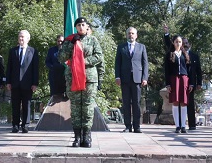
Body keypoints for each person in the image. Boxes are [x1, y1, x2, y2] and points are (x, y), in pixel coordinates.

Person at [58, 17, 104, 148]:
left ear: (87, 26)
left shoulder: (93, 40)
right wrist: (69, 45)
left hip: (89, 79)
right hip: (73, 78)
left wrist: (83, 62)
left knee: (88, 107)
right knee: (76, 108)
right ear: (76, 28)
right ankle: (77, 137)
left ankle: (87, 136)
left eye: (83, 25)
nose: (81, 27)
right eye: (78, 25)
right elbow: (61, 58)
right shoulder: (69, 41)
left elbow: (99, 56)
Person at [114, 26, 148, 133]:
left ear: (136, 35)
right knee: (126, 103)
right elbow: (118, 63)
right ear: (126, 35)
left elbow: (145, 63)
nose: (131, 35)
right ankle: (128, 126)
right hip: (124, 79)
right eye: (129, 33)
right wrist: (117, 76)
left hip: (137, 79)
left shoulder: (141, 47)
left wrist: (145, 77)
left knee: (137, 103)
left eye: (133, 33)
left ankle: (137, 126)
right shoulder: (121, 47)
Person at [6, 30, 39, 133]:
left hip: (27, 83)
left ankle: (25, 125)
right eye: (19, 36)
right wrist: (8, 82)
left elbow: (35, 68)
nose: (21, 38)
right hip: (15, 83)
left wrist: (35, 83)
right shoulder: (13, 51)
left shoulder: (33, 51)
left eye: (23, 37)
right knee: (15, 105)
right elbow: (9, 67)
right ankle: (15, 125)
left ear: (28, 39)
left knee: (26, 105)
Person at [165, 35, 190, 133]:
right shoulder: (170, 54)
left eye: (180, 42)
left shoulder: (185, 54)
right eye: (176, 42)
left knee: (184, 102)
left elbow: (189, 69)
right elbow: (166, 70)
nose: (178, 43)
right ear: (173, 43)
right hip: (174, 79)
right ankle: (177, 126)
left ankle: (183, 125)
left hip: (184, 78)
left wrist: (191, 83)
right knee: (175, 101)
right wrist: (168, 84)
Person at [183, 38, 202, 131]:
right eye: (183, 43)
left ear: (189, 44)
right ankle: (181, 124)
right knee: (181, 103)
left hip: (191, 83)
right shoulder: (179, 55)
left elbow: (199, 70)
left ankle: (192, 125)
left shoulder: (195, 56)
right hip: (181, 82)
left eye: (186, 43)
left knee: (190, 103)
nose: (185, 44)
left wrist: (199, 83)